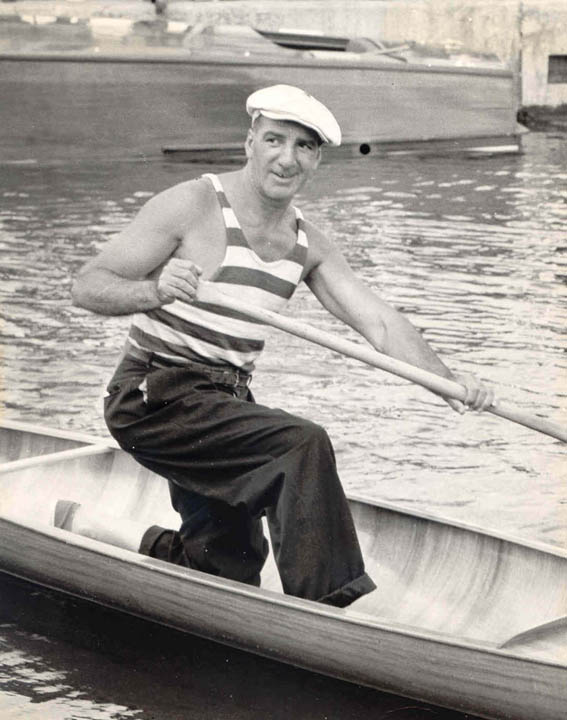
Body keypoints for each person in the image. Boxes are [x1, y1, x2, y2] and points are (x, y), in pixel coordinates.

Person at [61, 84, 494, 608]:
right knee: (300, 444)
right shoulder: (193, 205)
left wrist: (449, 383)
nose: (286, 159)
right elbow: (88, 284)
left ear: (316, 161)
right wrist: (155, 289)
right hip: (152, 395)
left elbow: (380, 324)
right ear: (250, 143)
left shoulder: (308, 243)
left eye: (304, 147)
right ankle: (327, 610)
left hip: (222, 407)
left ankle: (90, 526)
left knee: (228, 570)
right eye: (274, 140)